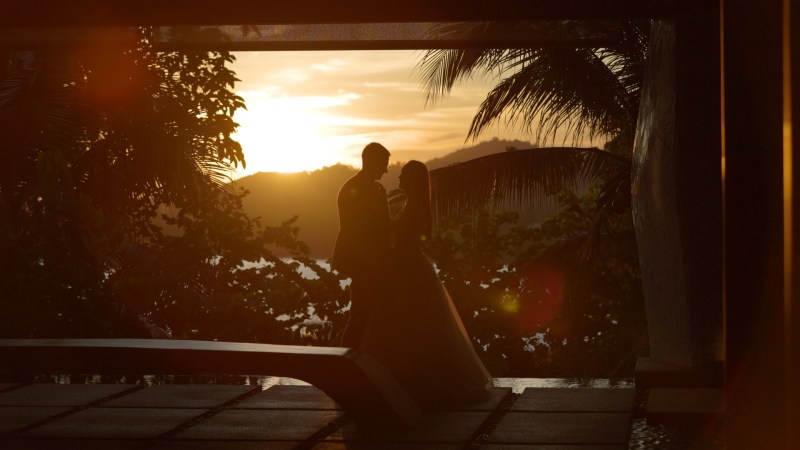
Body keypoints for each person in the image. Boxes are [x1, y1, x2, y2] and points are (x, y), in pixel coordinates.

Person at [358, 160, 493, 408]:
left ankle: (412, 380)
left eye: (404, 175)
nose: (399, 178)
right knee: (410, 325)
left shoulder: (415, 208)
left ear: (412, 180)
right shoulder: (413, 205)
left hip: (408, 270)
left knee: (411, 323)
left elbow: (400, 240)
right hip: (408, 267)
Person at [331, 142, 392, 347]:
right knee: (360, 315)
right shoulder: (352, 188)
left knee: (372, 315)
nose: (386, 170)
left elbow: (385, 224)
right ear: (371, 161)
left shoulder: (378, 188)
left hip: (376, 261)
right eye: (383, 164)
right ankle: (347, 358)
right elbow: (357, 228)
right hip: (361, 261)